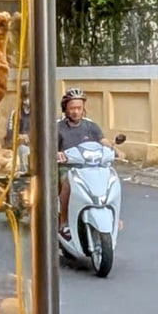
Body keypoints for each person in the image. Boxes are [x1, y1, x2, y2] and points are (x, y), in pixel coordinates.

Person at [56, 88, 107, 232]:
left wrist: (115, 150)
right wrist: (57, 153)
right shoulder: (58, 127)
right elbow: (51, 148)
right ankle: (64, 221)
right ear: (65, 109)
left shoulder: (91, 126)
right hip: (68, 167)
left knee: (109, 182)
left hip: (90, 167)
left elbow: (103, 140)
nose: (76, 111)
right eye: (72, 108)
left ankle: (111, 215)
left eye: (79, 108)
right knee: (67, 183)